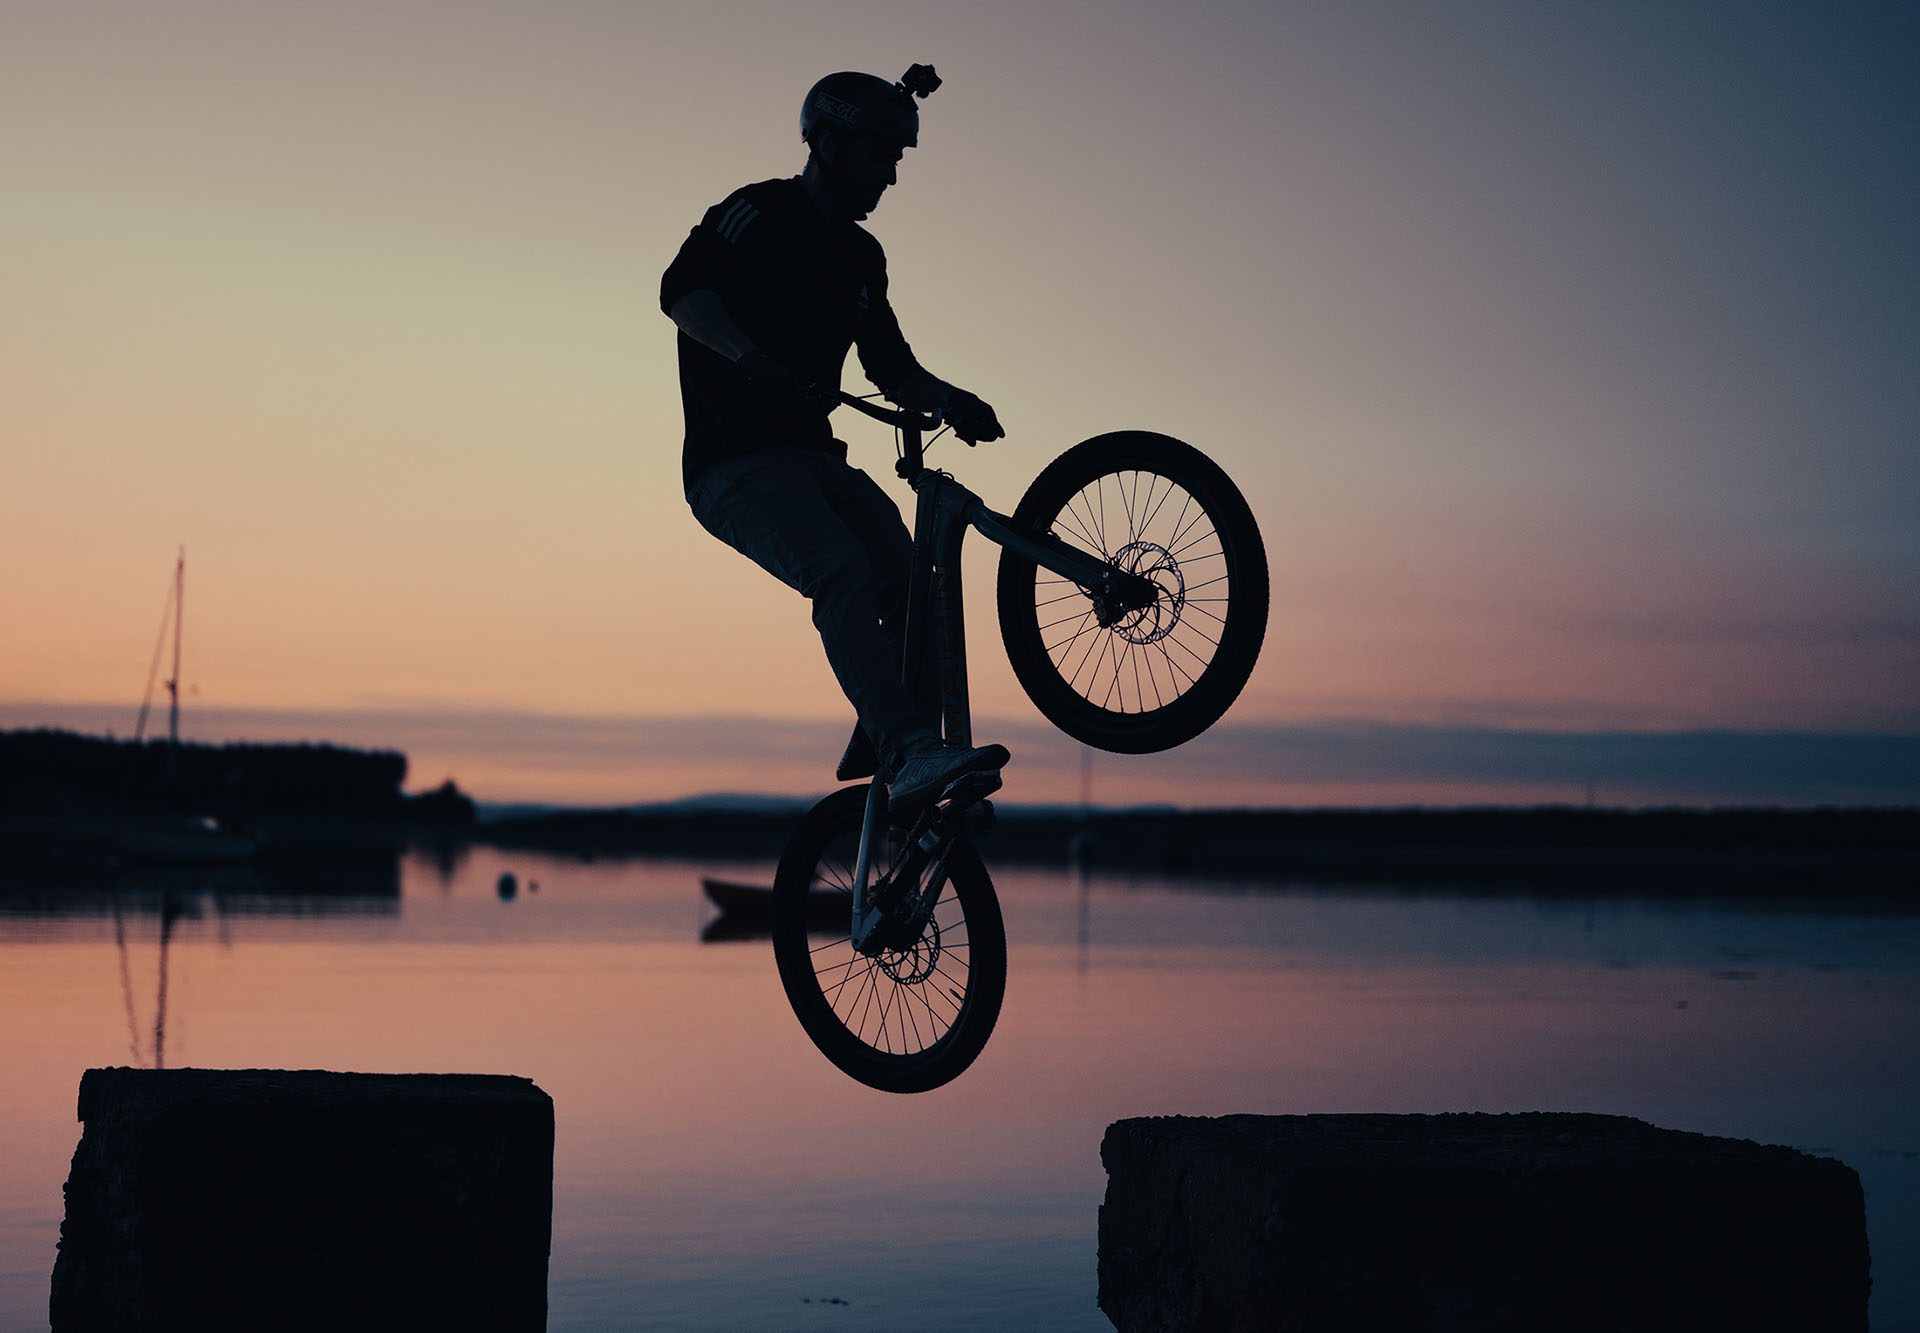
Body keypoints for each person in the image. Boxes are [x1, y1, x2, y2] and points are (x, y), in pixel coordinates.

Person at [661, 66, 1008, 811]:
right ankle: (908, 746)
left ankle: (889, 732)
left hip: (818, 461)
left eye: (896, 160)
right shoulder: (756, 211)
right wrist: (752, 360)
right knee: (841, 568)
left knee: (913, 579)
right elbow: (681, 292)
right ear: (827, 142)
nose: (888, 176)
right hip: (734, 467)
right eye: (877, 155)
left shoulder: (862, 259)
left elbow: (894, 370)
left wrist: (954, 402)